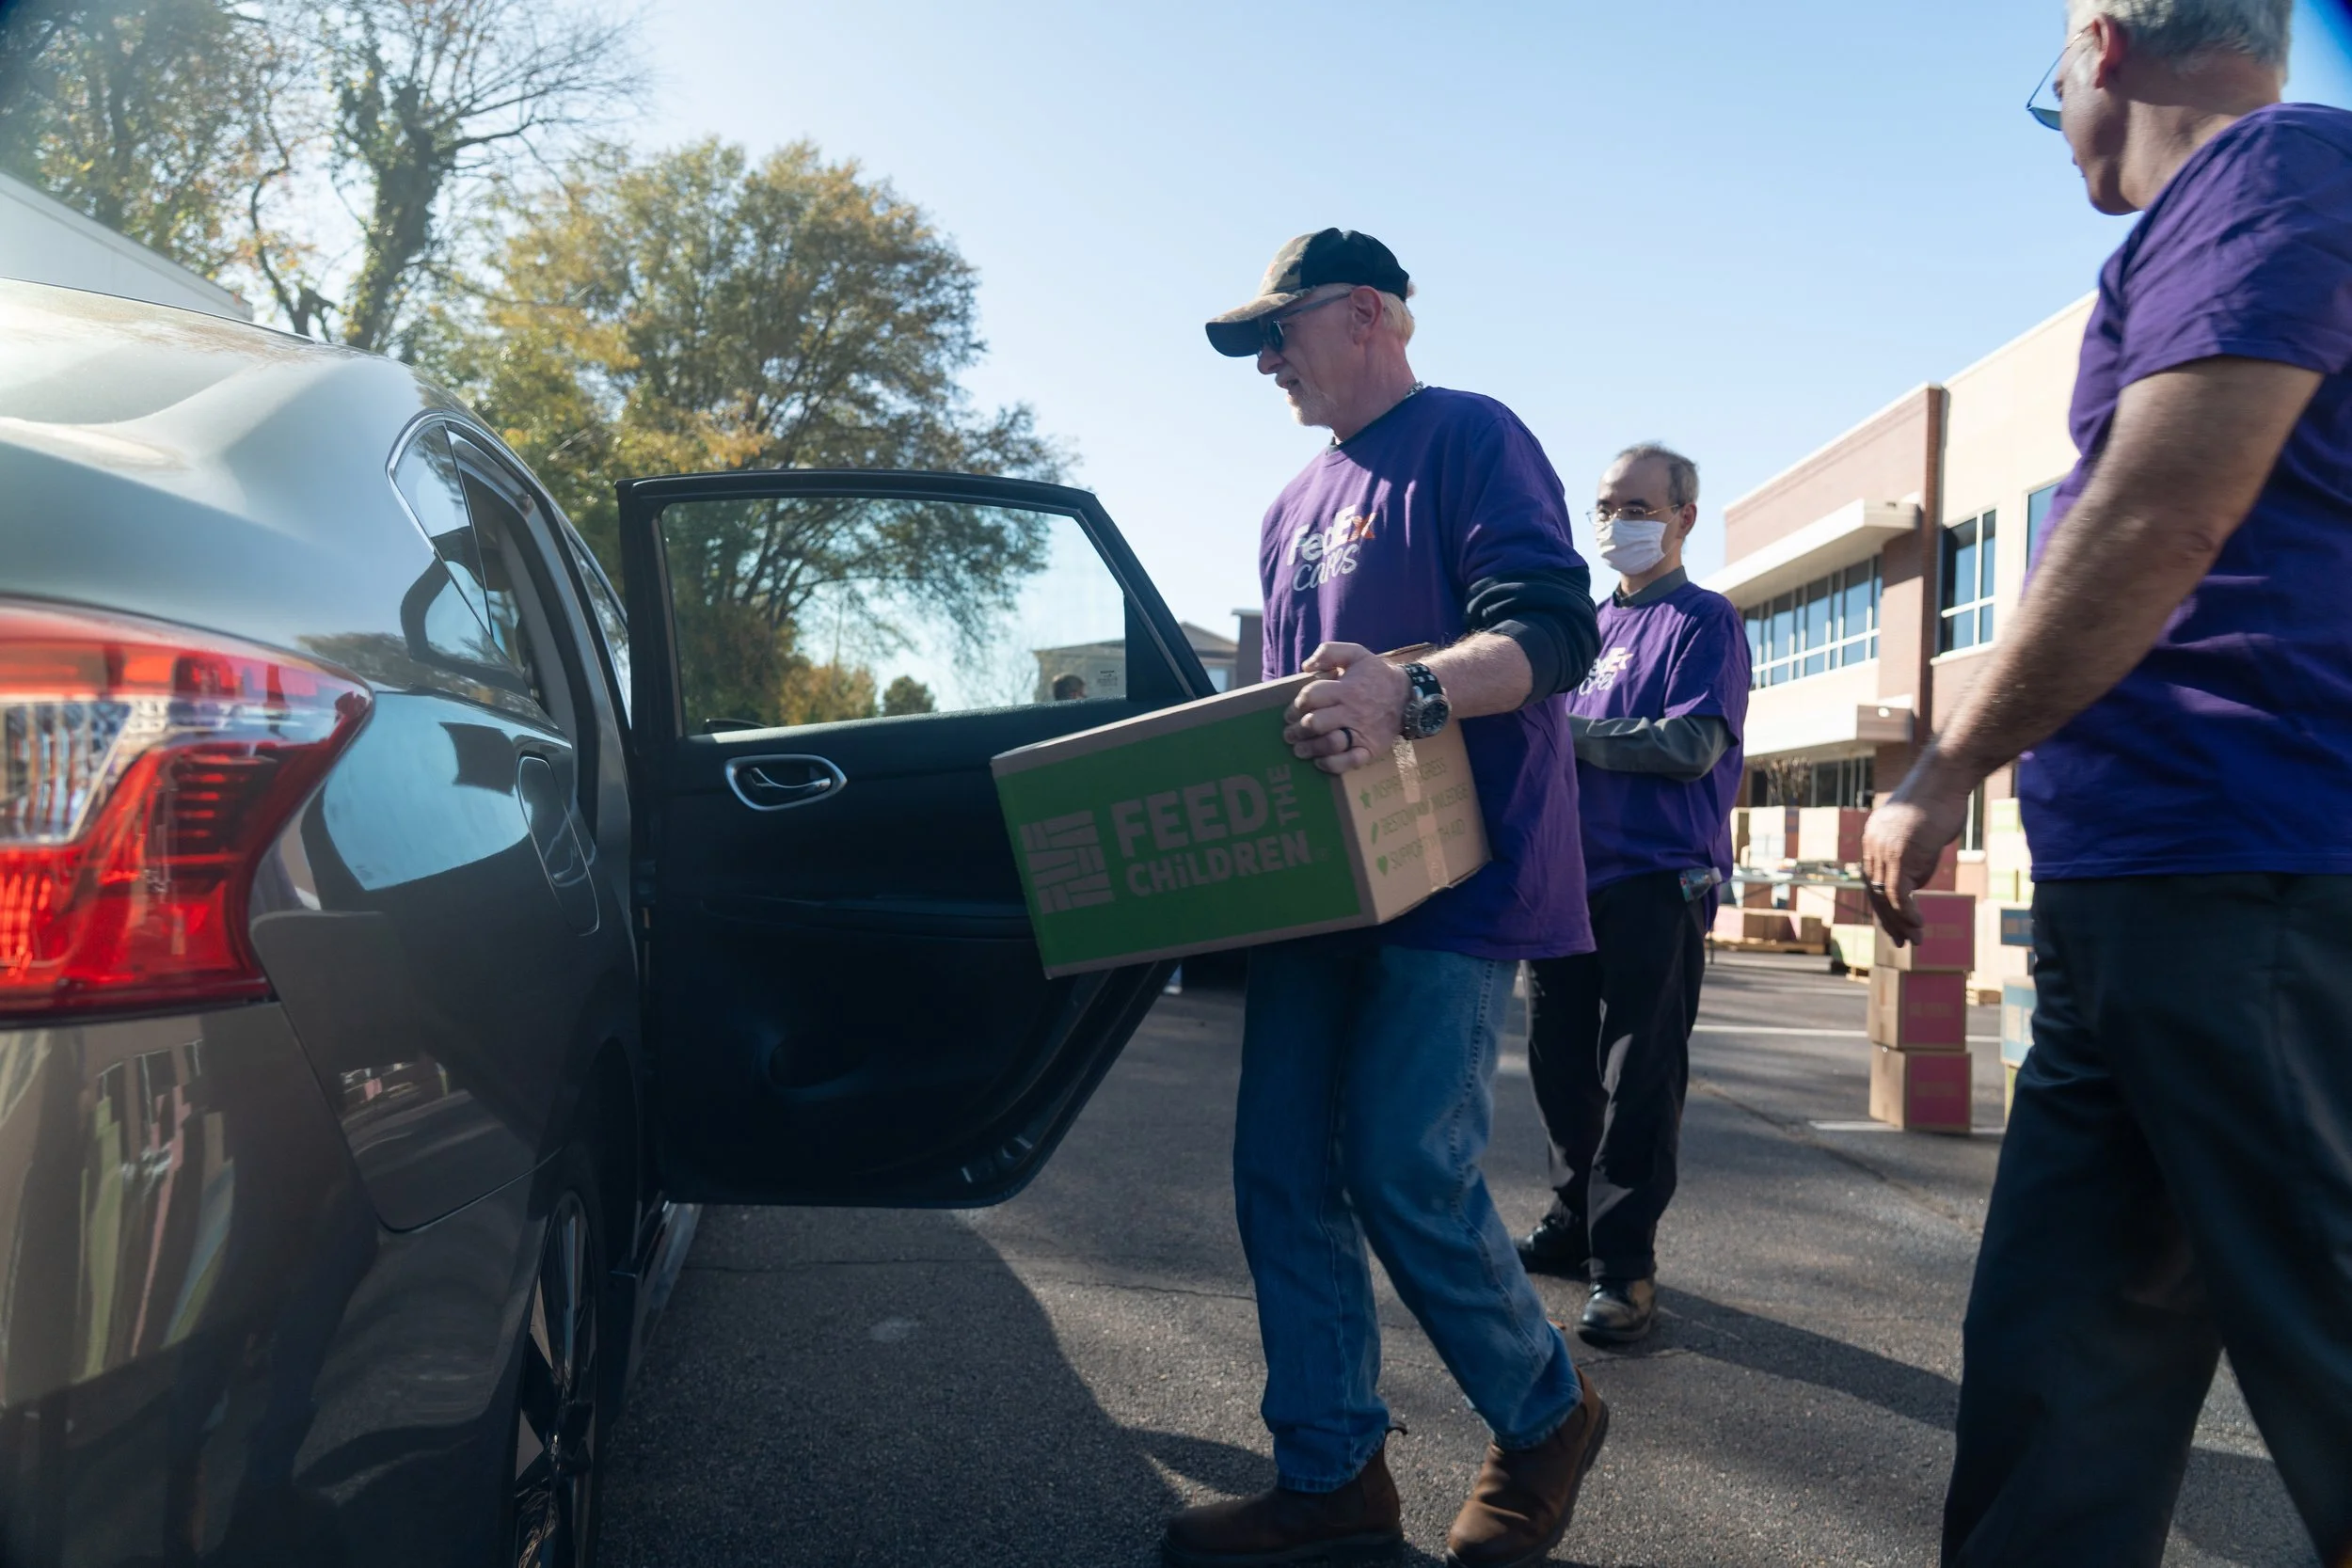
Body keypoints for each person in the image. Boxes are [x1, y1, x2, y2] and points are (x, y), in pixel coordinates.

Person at [1860, 5, 2352, 1563]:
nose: (2057, 106)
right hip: (2128, 895)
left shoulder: (2277, 169)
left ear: (2102, 44)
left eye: (2047, 83)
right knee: (2057, 1384)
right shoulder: (2197, 232)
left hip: (2250, 867)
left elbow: (2157, 515)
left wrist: (1944, 768)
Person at [1160, 229, 1608, 1568]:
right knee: (1282, 1173)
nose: (1264, 362)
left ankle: (1545, 1416)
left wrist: (1408, 689)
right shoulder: (1287, 506)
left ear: (1365, 313)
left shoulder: (1472, 436)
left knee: (1405, 1161)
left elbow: (1553, 632)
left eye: (1275, 332)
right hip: (1321, 887)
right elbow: (1295, 711)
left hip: (1455, 873)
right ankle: (1332, 1476)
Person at [1518, 444, 1747, 1346]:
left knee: (1638, 1073)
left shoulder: (1704, 621)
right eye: (1606, 507)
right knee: (1558, 1063)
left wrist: (1570, 732)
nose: (1618, 524)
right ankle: (1574, 1221)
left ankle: (1625, 1267)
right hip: (1564, 878)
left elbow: (1690, 743)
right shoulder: (1585, 627)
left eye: (1638, 506)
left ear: (1685, 515)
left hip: (1658, 878)